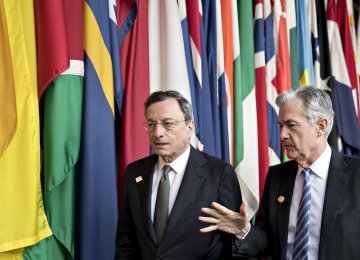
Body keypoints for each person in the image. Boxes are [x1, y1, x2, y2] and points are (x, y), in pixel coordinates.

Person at [199, 87, 360, 260]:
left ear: (320, 126)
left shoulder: (356, 174)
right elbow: (266, 239)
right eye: (281, 126)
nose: (282, 135)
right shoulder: (277, 176)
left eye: (291, 125)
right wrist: (244, 230)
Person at [115, 90, 242, 260]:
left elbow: (231, 245)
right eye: (151, 124)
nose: (157, 132)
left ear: (189, 127)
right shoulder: (135, 173)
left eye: (167, 123)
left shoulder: (219, 173)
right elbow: (126, 242)